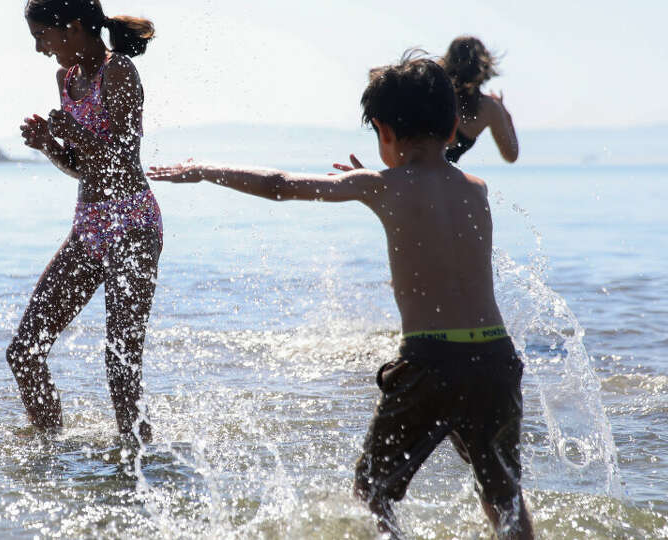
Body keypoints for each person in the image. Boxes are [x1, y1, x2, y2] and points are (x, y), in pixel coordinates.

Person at [147, 52, 534, 538]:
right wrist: (379, 181)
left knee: (374, 490)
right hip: (495, 360)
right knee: (503, 494)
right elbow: (432, 219)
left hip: (430, 361)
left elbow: (281, 185)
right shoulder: (476, 188)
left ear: (383, 130)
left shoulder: (380, 185)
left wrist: (203, 169)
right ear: (456, 124)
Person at [8, 0, 162, 444]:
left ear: (73, 27)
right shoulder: (66, 78)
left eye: (42, 36)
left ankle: (138, 467)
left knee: (120, 367)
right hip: (89, 227)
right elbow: (83, 167)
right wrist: (48, 147)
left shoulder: (119, 72)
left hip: (133, 224)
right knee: (24, 351)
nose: (39, 48)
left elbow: (121, 159)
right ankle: (49, 452)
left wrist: (72, 133)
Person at [441, 36, 519, 164]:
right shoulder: (490, 107)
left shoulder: (436, 96)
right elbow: (511, 155)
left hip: (414, 175)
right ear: (484, 65)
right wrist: (506, 114)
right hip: (445, 179)